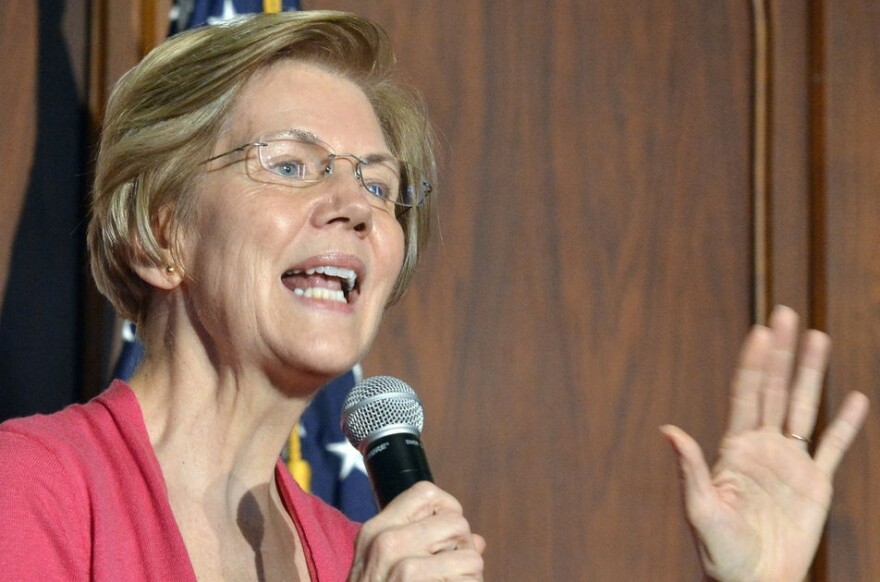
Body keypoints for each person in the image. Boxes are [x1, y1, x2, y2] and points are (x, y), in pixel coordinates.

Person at [0, 9, 868, 582]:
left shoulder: (356, 553)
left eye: (377, 186)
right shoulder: (33, 489)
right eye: (292, 165)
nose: (354, 206)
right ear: (161, 232)